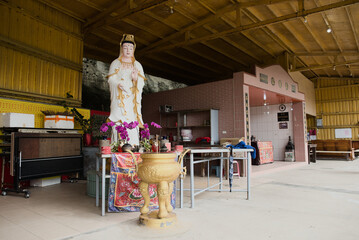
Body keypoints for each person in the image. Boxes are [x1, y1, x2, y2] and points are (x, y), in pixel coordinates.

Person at [107, 34, 146, 146]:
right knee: (119, 124)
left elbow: (141, 83)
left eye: (130, 48)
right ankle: (117, 147)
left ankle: (133, 146)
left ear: (133, 49)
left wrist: (135, 79)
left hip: (131, 101)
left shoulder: (137, 65)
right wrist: (117, 83)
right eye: (125, 47)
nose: (128, 50)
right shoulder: (115, 63)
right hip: (119, 99)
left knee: (132, 124)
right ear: (121, 49)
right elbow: (111, 80)